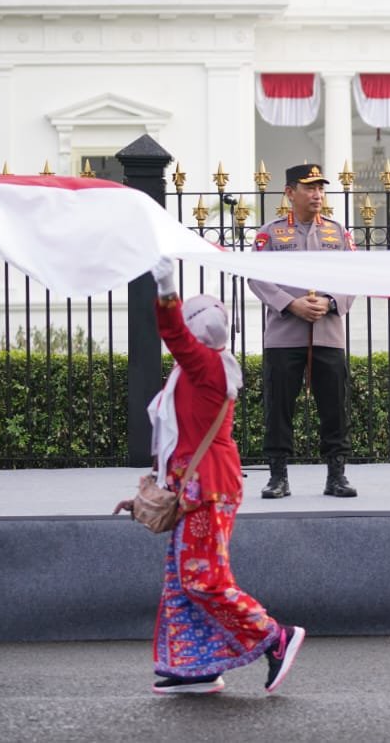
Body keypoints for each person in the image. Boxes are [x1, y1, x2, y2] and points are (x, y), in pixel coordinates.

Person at [141, 257, 305, 696]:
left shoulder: (204, 366)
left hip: (207, 486)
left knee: (202, 579)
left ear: (196, 333)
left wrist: (165, 285)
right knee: (183, 580)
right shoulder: (201, 368)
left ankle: (275, 636)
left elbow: (170, 330)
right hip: (197, 484)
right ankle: (195, 667)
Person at [247, 164, 358, 499]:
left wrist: (331, 301)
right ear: (289, 192)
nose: (317, 194)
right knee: (279, 406)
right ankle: (278, 476)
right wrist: (289, 303)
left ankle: (336, 475)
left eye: (320, 188)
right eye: (309, 188)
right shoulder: (271, 233)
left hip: (328, 331)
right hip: (284, 334)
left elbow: (355, 274)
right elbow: (255, 275)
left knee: (334, 405)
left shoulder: (338, 233)